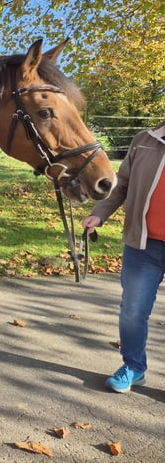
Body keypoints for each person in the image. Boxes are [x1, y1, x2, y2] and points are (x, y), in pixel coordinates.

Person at [82, 120, 165, 393]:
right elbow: (122, 184)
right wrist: (100, 212)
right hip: (143, 244)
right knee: (132, 311)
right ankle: (134, 366)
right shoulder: (146, 139)